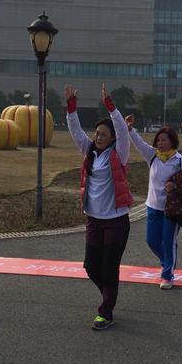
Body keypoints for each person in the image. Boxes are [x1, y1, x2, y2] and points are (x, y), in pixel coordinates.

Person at [66, 83, 132, 331]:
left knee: (109, 267)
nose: (99, 137)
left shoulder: (119, 153)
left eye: (104, 134)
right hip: (94, 220)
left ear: (112, 137)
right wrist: (71, 107)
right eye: (97, 133)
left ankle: (105, 312)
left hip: (116, 220)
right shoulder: (89, 151)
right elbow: (75, 131)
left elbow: (123, 130)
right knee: (91, 266)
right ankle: (108, 293)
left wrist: (110, 106)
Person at [125, 116, 182, 289]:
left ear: (172, 141)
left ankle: (168, 275)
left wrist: (175, 185)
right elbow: (139, 143)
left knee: (168, 242)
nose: (160, 143)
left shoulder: (180, 161)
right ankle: (166, 261)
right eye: (158, 140)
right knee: (152, 241)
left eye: (164, 140)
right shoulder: (153, 156)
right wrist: (130, 129)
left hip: (172, 210)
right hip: (153, 207)